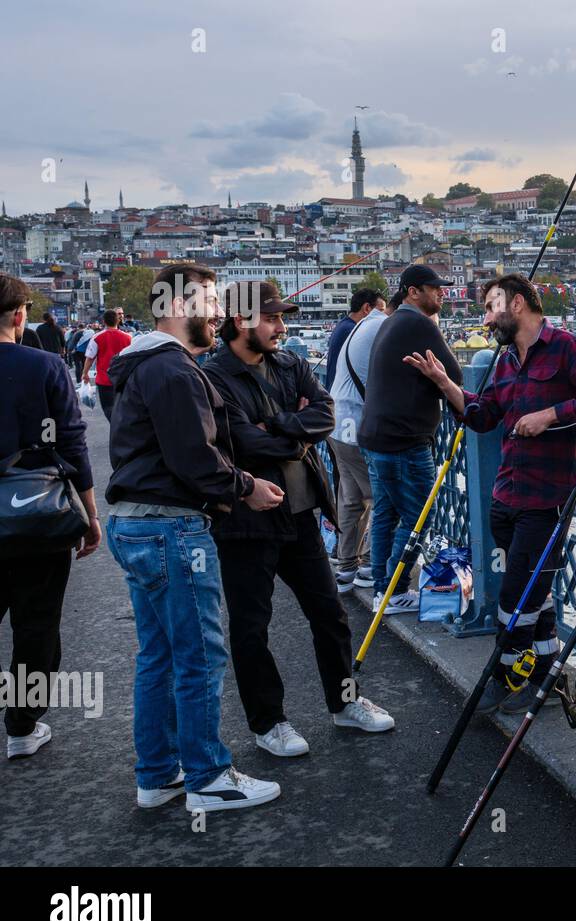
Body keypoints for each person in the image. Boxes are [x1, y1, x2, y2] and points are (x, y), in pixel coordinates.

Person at [105, 263, 284, 812]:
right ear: (179, 306)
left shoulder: (143, 365)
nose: (220, 313)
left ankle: (158, 775)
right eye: (210, 301)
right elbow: (193, 458)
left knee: (158, 654)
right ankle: (208, 778)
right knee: (200, 655)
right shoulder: (175, 372)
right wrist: (246, 485)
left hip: (136, 524)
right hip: (171, 528)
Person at [404, 273, 576, 714]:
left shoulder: (568, 348)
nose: (486, 318)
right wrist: (446, 385)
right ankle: (545, 674)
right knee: (536, 592)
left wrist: (550, 415)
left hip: (548, 495)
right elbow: (483, 417)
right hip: (506, 496)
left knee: (517, 595)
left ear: (517, 303)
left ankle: (502, 675)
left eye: (490, 307)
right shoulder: (503, 362)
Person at [204, 281, 393, 757]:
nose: (281, 327)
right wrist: (293, 431)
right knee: (252, 626)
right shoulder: (214, 376)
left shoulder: (289, 362)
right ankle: (269, 723)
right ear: (240, 322)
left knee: (329, 613)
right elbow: (238, 442)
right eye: (271, 318)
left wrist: (281, 428)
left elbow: (326, 413)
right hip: (247, 517)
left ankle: (344, 702)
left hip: (301, 509)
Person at [0, 274, 100, 759]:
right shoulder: (44, 365)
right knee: (36, 624)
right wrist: (90, 513)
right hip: (35, 514)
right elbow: (72, 442)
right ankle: (21, 726)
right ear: (20, 316)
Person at [357, 265, 462, 615]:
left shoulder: (390, 321)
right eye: (435, 288)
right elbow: (455, 376)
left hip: (375, 437)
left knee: (386, 513)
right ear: (413, 292)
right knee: (419, 518)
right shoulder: (418, 323)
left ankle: (381, 590)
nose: (442, 293)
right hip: (404, 441)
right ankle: (396, 590)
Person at [326, 290, 389, 594]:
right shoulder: (365, 327)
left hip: (337, 424)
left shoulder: (343, 330)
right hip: (353, 425)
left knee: (351, 500)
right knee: (380, 497)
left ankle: (346, 567)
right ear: (369, 309)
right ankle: (369, 566)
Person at [325, 289, 384, 391]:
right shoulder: (353, 331)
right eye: (381, 311)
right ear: (366, 308)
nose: (385, 317)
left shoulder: (343, 325)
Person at [82, 308, 132, 420]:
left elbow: (90, 358)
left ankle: (115, 427)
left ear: (104, 321)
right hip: (124, 380)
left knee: (109, 408)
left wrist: (85, 373)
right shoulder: (128, 338)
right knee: (124, 408)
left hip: (104, 380)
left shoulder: (97, 337)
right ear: (118, 320)